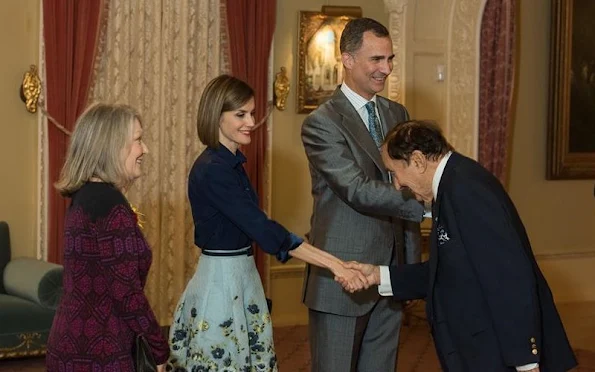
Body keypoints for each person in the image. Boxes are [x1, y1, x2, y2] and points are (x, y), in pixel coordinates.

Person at [342, 120, 578, 372]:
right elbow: (447, 271)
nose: (397, 184)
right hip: (481, 351)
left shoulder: (466, 188)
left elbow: (508, 276)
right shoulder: (452, 185)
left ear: (418, 161)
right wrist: (378, 275)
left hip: (499, 356)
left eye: (395, 172)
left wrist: (526, 362)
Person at [167, 74, 366, 372]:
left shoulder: (231, 164)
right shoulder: (213, 170)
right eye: (240, 114)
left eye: (252, 112)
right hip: (222, 282)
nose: (251, 121)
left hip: (241, 275)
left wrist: (334, 262)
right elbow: (265, 230)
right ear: (216, 116)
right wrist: (335, 265)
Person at [301, 17, 425, 372]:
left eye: (390, 59)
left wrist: (410, 272)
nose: (386, 69)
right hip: (343, 278)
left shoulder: (397, 113)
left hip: (389, 277)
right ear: (348, 59)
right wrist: (424, 203)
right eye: (376, 59)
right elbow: (355, 188)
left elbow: (408, 180)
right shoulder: (322, 123)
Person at [46, 104, 169, 371]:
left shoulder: (84, 196)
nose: (145, 149)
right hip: (102, 355)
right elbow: (127, 293)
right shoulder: (111, 205)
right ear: (113, 146)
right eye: (138, 140)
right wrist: (159, 348)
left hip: (68, 344)